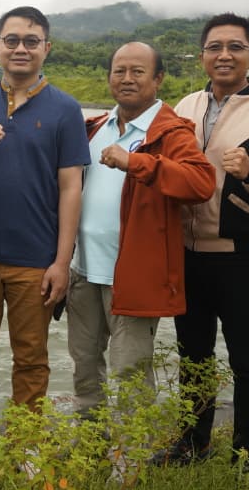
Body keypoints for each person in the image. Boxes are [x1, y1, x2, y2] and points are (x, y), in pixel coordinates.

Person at [0, 6, 89, 466]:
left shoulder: (65, 109)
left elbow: (71, 189)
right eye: (12, 40)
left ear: (47, 48)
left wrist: (62, 262)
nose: (20, 48)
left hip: (35, 256)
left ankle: (28, 442)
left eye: (31, 40)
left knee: (31, 355)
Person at [164, 13, 249, 470]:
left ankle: (247, 456)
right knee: (193, 356)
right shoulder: (184, 106)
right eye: (215, 47)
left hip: (243, 254)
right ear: (202, 55)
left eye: (235, 47)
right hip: (187, 252)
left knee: (248, 358)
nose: (224, 55)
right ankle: (192, 443)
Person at [66, 43, 213, 436]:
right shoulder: (94, 128)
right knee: (84, 364)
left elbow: (201, 182)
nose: (127, 79)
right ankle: (90, 444)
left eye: (137, 72)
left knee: (129, 371)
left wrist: (137, 162)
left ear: (158, 79)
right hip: (82, 269)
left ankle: (130, 460)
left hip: (131, 275)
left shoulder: (169, 131)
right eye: (119, 71)